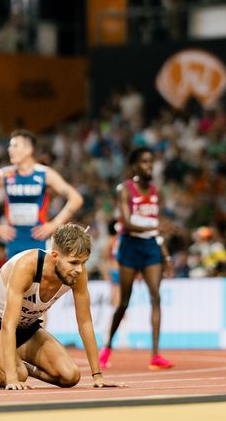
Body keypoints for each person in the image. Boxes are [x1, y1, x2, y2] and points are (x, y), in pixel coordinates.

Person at [0, 224, 122, 390]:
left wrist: (97, 375)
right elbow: (8, 323)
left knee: (70, 375)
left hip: (24, 326)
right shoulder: (26, 266)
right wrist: (11, 378)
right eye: (74, 262)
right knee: (17, 374)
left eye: (83, 262)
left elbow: (85, 323)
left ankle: (4, 369)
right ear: (55, 256)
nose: (79, 269)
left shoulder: (78, 274)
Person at [99, 147, 174, 371]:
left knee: (155, 297)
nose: (149, 166)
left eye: (151, 162)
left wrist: (166, 254)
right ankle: (107, 346)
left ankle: (155, 355)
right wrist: (155, 225)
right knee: (123, 302)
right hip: (130, 246)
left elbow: (157, 231)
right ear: (134, 166)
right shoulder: (125, 190)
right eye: (144, 162)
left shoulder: (156, 192)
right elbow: (129, 223)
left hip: (151, 247)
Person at [0, 129, 83, 259]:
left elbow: (76, 198)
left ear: (28, 149)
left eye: (15, 145)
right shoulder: (4, 174)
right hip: (13, 241)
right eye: (9, 146)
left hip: (38, 239)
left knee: (37, 278)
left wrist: (54, 224)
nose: (10, 150)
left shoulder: (45, 174)